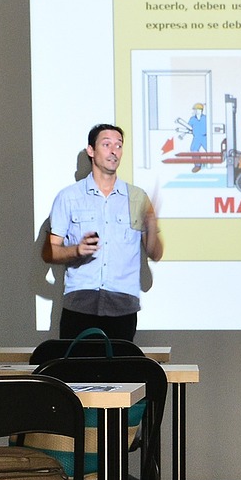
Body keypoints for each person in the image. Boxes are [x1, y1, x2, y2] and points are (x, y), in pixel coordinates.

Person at [43, 123, 164, 342]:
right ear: (91, 150)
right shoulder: (68, 197)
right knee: (76, 364)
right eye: (106, 144)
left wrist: (152, 225)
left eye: (119, 145)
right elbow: (49, 252)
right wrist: (76, 250)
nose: (114, 151)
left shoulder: (137, 197)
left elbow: (155, 254)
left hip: (123, 306)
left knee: (119, 365)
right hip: (79, 304)